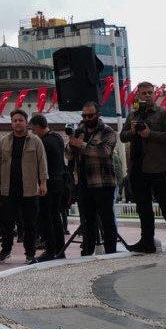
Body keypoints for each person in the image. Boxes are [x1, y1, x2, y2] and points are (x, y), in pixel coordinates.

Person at [123, 82, 166, 254]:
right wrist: (133, 131)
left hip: (159, 167)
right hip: (138, 168)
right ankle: (147, 242)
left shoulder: (163, 113)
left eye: (151, 92)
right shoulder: (132, 116)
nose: (148, 95)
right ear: (138, 95)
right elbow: (122, 136)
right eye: (144, 93)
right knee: (143, 208)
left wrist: (150, 134)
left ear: (155, 94)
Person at [0, 112, 47, 264]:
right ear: (11, 123)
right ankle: (6, 249)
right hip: (8, 188)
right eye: (15, 120)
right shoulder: (4, 141)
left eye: (20, 120)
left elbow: (42, 163)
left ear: (26, 122)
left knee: (30, 223)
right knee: (6, 222)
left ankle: (30, 252)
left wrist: (43, 182)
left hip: (29, 189)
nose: (17, 123)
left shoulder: (35, 141)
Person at [67, 104, 121, 255]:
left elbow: (104, 151)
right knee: (87, 220)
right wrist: (72, 144)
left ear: (98, 114)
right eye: (84, 116)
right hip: (84, 183)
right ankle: (87, 251)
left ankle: (111, 251)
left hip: (103, 182)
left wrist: (82, 144)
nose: (86, 119)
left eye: (90, 115)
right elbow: (68, 155)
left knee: (106, 219)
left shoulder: (107, 131)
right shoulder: (79, 131)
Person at [29, 114, 71, 260]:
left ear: (38, 126)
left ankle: (51, 250)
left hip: (49, 183)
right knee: (55, 217)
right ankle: (59, 250)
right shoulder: (57, 137)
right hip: (59, 182)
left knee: (46, 217)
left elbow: (40, 164)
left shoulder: (44, 142)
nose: (33, 132)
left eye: (33, 129)